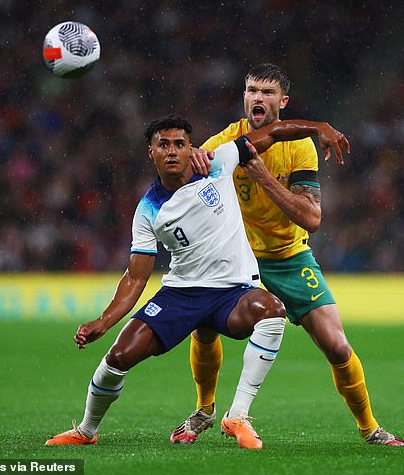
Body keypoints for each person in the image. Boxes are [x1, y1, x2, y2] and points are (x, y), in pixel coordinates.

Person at [45, 114, 349, 450]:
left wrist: (320, 128)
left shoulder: (220, 162)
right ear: (151, 152)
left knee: (271, 312)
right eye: (164, 145)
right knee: (118, 356)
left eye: (180, 144)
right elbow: (136, 275)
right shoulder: (148, 210)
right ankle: (86, 431)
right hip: (181, 294)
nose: (172, 151)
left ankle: (238, 415)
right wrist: (104, 320)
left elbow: (274, 132)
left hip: (232, 292)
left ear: (193, 148)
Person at [171, 64, 404, 446]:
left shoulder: (299, 146)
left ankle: (370, 428)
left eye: (267, 92)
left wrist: (261, 175)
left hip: (288, 257)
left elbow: (311, 218)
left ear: (283, 101)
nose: (257, 98)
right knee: (203, 325)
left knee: (336, 344)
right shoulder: (228, 139)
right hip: (238, 257)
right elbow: (192, 171)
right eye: (251, 90)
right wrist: (193, 163)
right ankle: (204, 409)